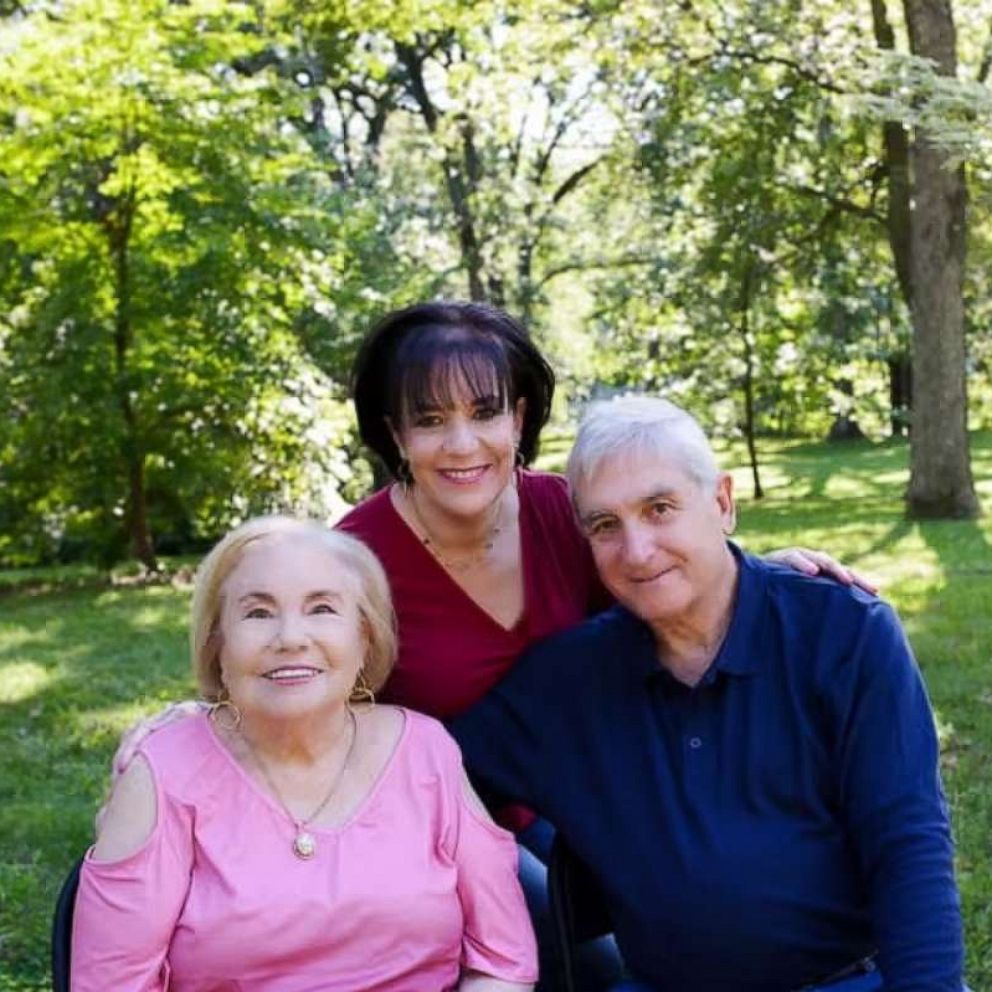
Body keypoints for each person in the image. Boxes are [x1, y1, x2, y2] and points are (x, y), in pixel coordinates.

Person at [105, 301, 870, 990]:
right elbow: (291, 657)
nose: (461, 442)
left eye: (484, 411)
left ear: (521, 417)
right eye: (430, 419)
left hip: (595, 793)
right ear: (395, 434)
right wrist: (197, 721)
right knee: (587, 972)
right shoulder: (355, 555)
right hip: (444, 822)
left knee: (710, 923)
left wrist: (757, 572)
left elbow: (655, 571)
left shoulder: (568, 515)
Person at [450, 396, 965, 992]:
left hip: (844, 982)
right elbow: (424, 777)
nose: (637, 550)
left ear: (722, 503)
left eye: (660, 508)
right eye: (606, 526)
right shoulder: (566, 684)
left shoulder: (843, 631)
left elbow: (909, 845)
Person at [73, 517, 537, 992]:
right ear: (218, 645)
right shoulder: (164, 771)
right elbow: (111, 983)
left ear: (365, 637)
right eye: (257, 613)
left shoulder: (426, 751)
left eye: (321, 608)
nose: (291, 637)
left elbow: (504, 960)